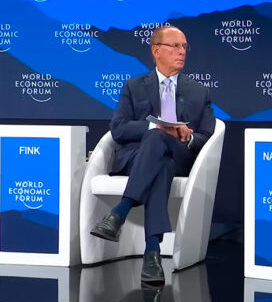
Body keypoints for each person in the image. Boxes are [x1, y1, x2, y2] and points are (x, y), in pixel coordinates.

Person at [90, 26, 215, 285]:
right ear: (156, 51)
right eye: (175, 46)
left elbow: (206, 136)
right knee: (160, 155)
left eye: (184, 47)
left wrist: (187, 136)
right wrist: (154, 128)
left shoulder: (198, 91)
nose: (182, 52)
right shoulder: (134, 86)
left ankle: (121, 211)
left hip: (181, 156)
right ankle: (152, 252)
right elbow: (118, 129)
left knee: (163, 148)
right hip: (138, 158)